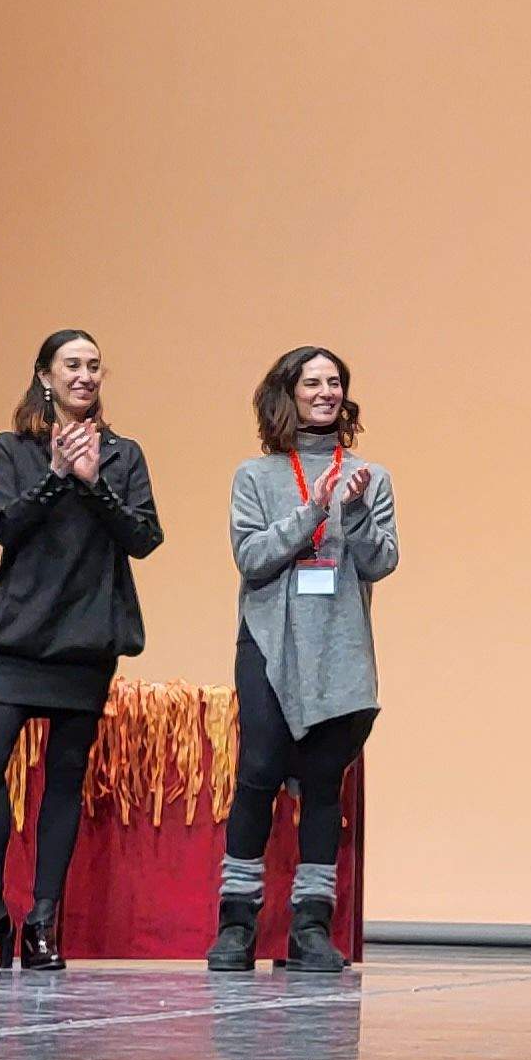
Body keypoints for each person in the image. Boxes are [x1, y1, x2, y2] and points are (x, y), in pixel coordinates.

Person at [0, 330, 162, 973]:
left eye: (94, 366)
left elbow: (145, 537)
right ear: (45, 376)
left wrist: (93, 484)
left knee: (63, 779)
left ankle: (42, 923)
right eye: (72, 366)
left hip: (87, 634)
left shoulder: (123, 454)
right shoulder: (14, 449)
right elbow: (1, 525)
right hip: (20, 630)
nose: (85, 376)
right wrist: (57, 476)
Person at [208, 347, 397, 973]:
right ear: (286, 395)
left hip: (339, 653)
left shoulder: (371, 474)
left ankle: (311, 928)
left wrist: (356, 513)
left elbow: (380, 562)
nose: (325, 392)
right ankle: (236, 924)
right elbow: (253, 557)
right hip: (268, 646)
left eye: (335, 382)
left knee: (323, 786)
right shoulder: (254, 476)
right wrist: (314, 507)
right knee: (258, 774)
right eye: (311, 382)